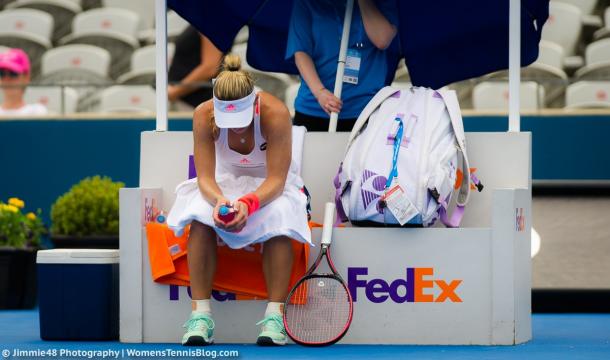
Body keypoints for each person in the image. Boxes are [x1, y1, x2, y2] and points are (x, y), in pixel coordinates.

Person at [166, 54, 311, 346]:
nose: (235, 128)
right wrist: (220, 202)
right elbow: (205, 177)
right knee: (200, 217)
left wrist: (248, 203)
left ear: (254, 104)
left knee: (280, 216)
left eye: (241, 120)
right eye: (227, 120)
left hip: (270, 186)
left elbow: (277, 181)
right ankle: (201, 316)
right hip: (223, 184)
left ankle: (275, 318)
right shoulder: (202, 115)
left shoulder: (275, 112)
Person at [286, 0, 398, 131]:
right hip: (313, 108)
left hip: (367, 108)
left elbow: (382, 39)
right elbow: (301, 52)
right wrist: (320, 92)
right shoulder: (306, 3)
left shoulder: (383, 3)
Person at [168, 27, 224, 111]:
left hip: (195, 103)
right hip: (186, 101)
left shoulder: (210, 22)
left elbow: (210, 67)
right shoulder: (202, 20)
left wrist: (175, 91)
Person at [0, 48, 47, 116]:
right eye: (2, 73)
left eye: (13, 73)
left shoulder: (37, 112)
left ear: (26, 77)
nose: (7, 79)